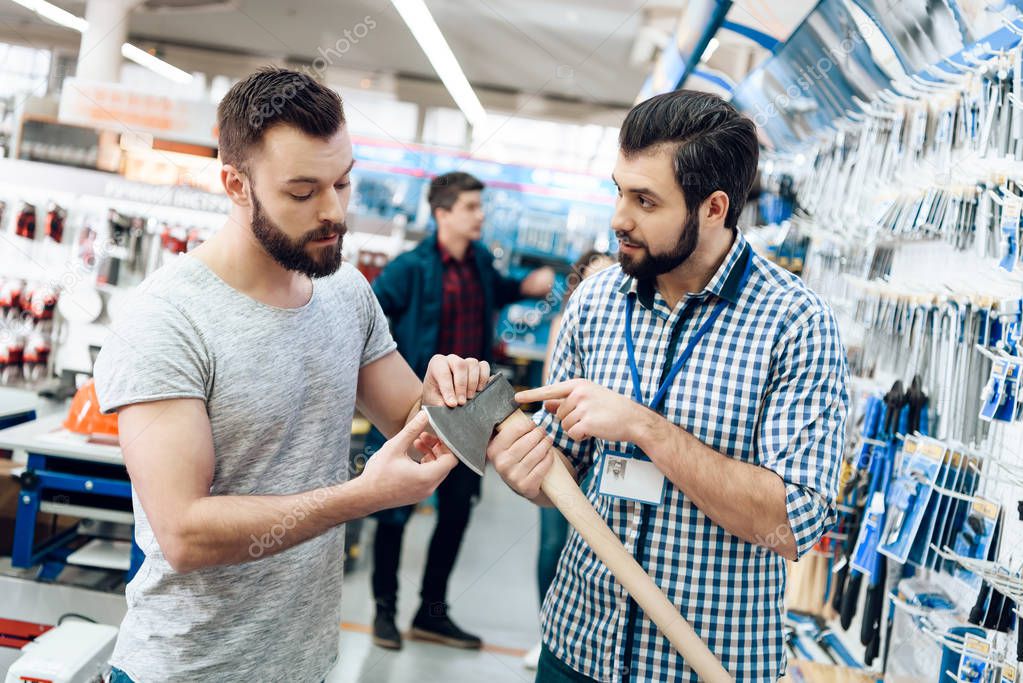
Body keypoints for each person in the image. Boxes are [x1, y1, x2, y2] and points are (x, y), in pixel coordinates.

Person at [92, 67, 490, 683]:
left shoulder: (346, 291)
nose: (333, 211)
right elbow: (184, 534)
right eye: (303, 192)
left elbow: (415, 421)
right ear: (236, 185)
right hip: (187, 670)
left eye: (343, 183)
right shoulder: (165, 320)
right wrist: (362, 496)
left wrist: (447, 394)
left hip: (304, 664)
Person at [488, 90, 849, 681]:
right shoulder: (596, 302)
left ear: (713, 208)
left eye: (645, 200)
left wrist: (644, 428)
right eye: (618, 190)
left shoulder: (796, 324)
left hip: (702, 662)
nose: (618, 218)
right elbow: (562, 474)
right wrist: (523, 465)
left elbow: (794, 524)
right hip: (576, 645)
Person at [366, 171, 554, 651]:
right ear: (442, 213)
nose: (481, 215)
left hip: (472, 418)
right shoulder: (410, 268)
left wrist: (529, 286)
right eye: (471, 207)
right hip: (415, 413)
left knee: (455, 517)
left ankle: (432, 613)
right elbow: (368, 321)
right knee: (393, 514)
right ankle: (384, 614)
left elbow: (504, 291)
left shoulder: (478, 267)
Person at [524, 249, 614, 671]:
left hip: (609, 458)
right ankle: (545, 631)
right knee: (552, 544)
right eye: (592, 280)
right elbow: (551, 391)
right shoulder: (571, 323)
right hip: (569, 447)